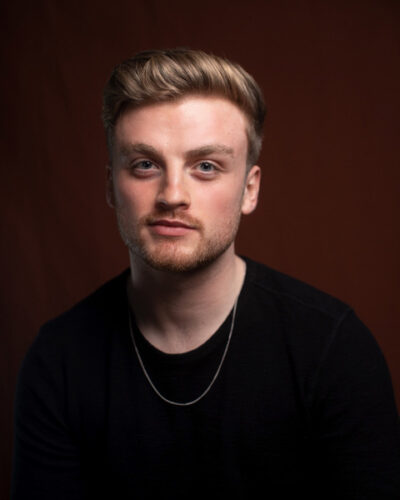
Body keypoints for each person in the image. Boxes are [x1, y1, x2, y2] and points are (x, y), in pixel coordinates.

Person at [12, 48, 400, 499]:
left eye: (206, 167)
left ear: (249, 189)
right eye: (145, 164)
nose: (172, 194)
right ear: (111, 187)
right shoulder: (58, 359)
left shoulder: (334, 348)